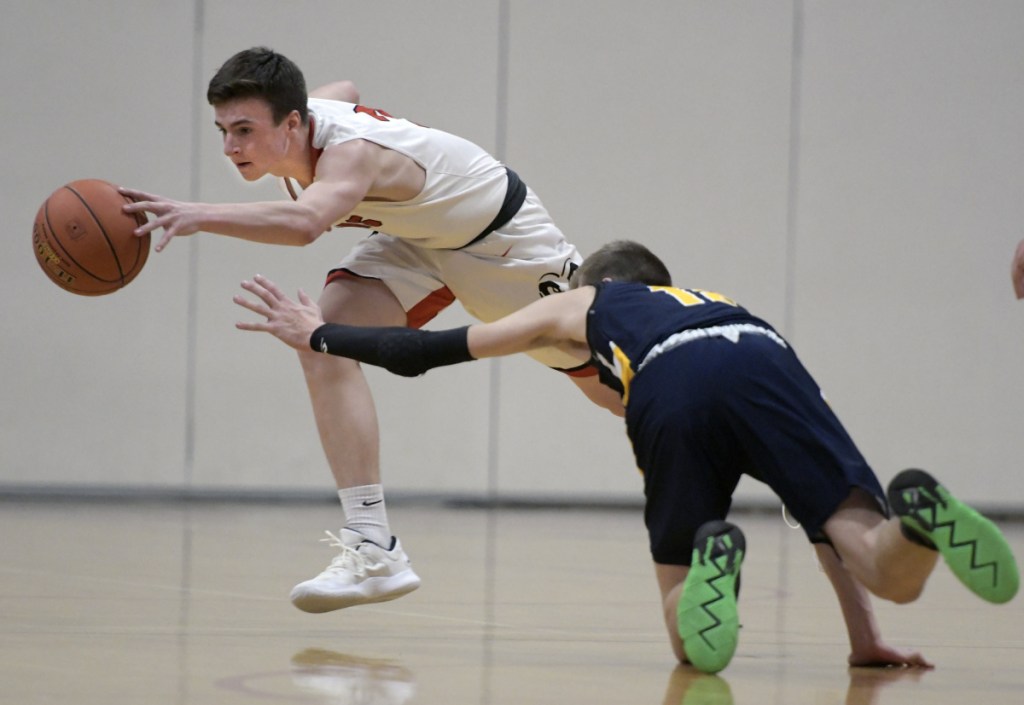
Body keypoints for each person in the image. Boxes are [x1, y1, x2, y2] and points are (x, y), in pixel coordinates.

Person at [232, 239, 1019, 673]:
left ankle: (712, 560)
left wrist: (322, 334)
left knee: (690, 638)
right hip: (769, 356)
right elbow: (820, 534)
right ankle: (915, 525)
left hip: (673, 380)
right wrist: (863, 641)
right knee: (869, 548)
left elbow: (429, 350)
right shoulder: (716, 299)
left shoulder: (581, 304)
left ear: (590, 282)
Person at [119, 47, 622, 614]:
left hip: (502, 241)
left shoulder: (349, 156)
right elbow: (346, 87)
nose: (231, 147)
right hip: (416, 241)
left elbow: (308, 223)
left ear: (291, 124)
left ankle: (706, 419)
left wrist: (197, 214)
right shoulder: (305, 117)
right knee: (321, 338)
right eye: (223, 130)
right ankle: (372, 545)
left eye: (243, 130)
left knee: (612, 388)